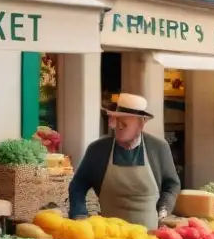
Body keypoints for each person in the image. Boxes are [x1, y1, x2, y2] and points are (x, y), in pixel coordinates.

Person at [69, 93, 181, 229]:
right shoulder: (97, 150)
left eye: (124, 124)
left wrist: (164, 209)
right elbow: (78, 185)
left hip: (149, 236)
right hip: (110, 236)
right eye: (117, 122)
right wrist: (79, 213)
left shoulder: (158, 148)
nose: (118, 127)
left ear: (140, 125)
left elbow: (172, 184)